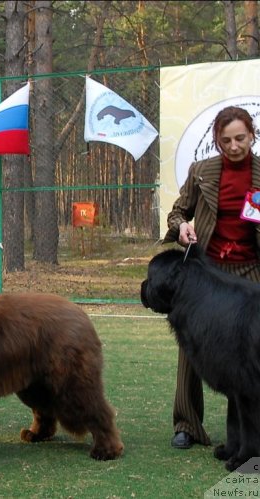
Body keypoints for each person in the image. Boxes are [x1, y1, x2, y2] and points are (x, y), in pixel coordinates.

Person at [163, 105, 260, 449]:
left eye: (240, 138)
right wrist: (182, 228)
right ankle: (187, 424)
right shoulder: (202, 171)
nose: (234, 146)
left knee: (252, 358)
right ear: (217, 141)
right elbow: (177, 212)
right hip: (206, 275)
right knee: (191, 345)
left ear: (251, 135)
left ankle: (246, 439)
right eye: (226, 140)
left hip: (251, 273)